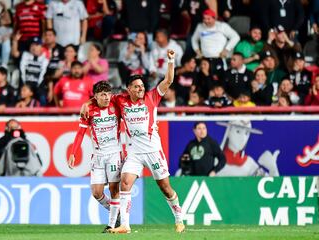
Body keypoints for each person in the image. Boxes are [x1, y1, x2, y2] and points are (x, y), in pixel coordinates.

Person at [81, 49, 185, 233]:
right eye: (136, 86)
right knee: (125, 183)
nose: (141, 89)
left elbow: (168, 81)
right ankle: (125, 225)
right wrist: (86, 104)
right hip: (134, 152)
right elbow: (101, 97)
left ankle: (179, 218)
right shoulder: (120, 100)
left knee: (165, 188)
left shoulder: (152, 96)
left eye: (142, 86)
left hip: (153, 150)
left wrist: (171, 61)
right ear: (128, 89)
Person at [68, 81, 121, 233]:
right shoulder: (89, 110)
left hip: (114, 154)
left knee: (113, 189)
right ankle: (116, 212)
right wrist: (73, 153)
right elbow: (80, 133)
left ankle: (112, 225)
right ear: (96, 96)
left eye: (108, 94)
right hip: (97, 155)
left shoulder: (116, 105)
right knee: (97, 192)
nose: (106, 97)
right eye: (103, 95)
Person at [191, 9, 240, 73]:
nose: (206, 21)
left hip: (219, 58)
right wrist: (197, 51)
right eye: (204, 19)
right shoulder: (200, 26)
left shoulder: (222, 26)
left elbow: (236, 37)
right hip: (204, 58)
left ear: (214, 18)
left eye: (208, 19)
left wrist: (226, 50)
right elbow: (194, 39)